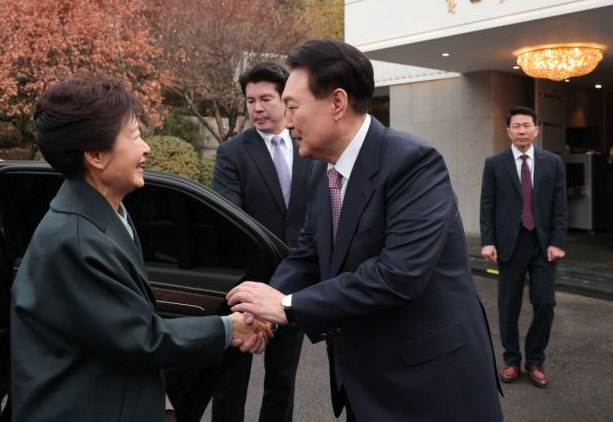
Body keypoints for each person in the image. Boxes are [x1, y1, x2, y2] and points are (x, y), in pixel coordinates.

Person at [227, 39, 503, 422]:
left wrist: (288, 307)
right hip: (364, 383)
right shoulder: (323, 172)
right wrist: (264, 311)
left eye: (292, 107)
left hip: (430, 384)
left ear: (337, 103)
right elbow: (307, 254)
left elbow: (398, 274)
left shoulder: (412, 162)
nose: (286, 122)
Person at [10, 74, 269, 422]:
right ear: (96, 155)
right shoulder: (73, 239)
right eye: (134, 135)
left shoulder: (108, 211)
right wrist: (229, 328)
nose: (146, 147)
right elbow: (139, 336)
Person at [212, 62, 313, 422]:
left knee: (282, 380)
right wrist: (253, 300)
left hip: (294, 287)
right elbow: (230, 225)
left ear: (285, 99)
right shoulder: (232, 153)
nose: (257, 107)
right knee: (231, 382)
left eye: (265, 98)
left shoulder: (309, 147)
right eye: (250, 100)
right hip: (247, 289)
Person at [480, 106, 567, 389]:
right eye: (516, 126)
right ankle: (512, 359)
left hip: (543, 245)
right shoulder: (495, 163)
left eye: (526, 125)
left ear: (536, 129)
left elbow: (560, 206)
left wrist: (557, 242)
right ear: (508, 131)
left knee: (545, 303)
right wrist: (488, 240)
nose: (521, 130)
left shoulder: (552, 162)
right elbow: (488, 205)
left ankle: (535, 360)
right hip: (509, 244)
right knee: (508, 306)